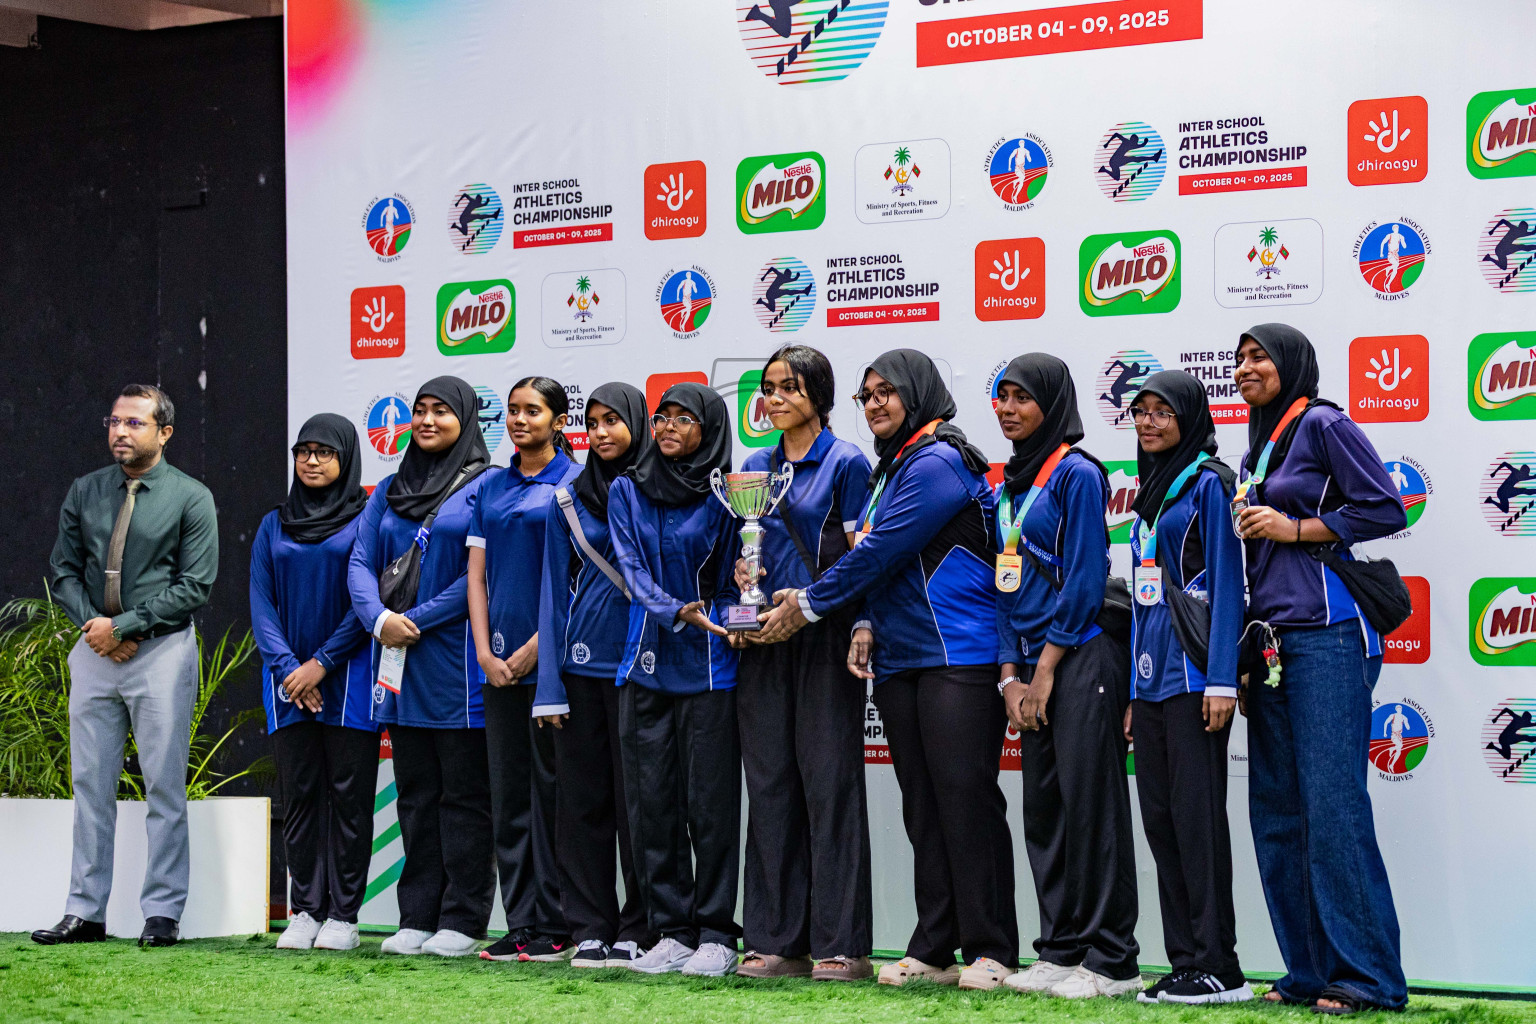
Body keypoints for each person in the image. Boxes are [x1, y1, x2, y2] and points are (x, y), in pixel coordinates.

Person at [757, 349, 1013, 991]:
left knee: (967, 803)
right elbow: (879, 562)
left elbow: (878, 550)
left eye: (887, 392)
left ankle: (992, 948)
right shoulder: (890, 468)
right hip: (900, 659)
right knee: (924, 808)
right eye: (866, 395)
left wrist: (809, 604)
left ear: (919, 393)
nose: (875, 404)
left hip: (957, 654)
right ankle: (935, 944)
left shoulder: (938, 460)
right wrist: (865, 623)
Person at [1233, 324, 1408, 1013]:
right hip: (1275, 643)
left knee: (1332, 812)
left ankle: (1368, 980)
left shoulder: (1324, 423)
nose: (1246, 367)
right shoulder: (1260, 441)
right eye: (1239, 358)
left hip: (1332, 636)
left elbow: (1387, 506)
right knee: (1278, 813)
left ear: (1292, 365)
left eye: (1259, 357)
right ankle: (1309, 972)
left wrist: (1296, 527)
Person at [36, 384, 218, 949]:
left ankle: (161, 913)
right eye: (115, 421)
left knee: (163, 786)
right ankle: (85, 912)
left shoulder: (192, 497)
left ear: (164, 432)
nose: (120, 432)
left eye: (134, 423)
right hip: (94, 651)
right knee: (90, 785)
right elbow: (62, 570)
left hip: (160, 653)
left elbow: (196, 585)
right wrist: (96, 626)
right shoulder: (85, 490)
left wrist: (125, 627)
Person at [990, 354, 1140, 1000]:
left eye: (1022, 398)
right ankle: (1060, 948)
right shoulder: (1009, 486)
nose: (1007, 409)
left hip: (1080, 657)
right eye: (1001, 398)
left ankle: (1112, 959)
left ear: (1051, 404)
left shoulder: (1077, 473)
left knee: (1092, 806)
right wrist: (1009, 679)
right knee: (1045, 809)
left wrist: (1044, 670)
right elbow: (1001, 587)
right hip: (1026, 667)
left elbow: (1082, 580)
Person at [731, 346, 874, 982]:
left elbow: (861, 553)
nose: (775, 397)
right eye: (768, 388)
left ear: (819, 393)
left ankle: (841, 945)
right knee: (768, 787)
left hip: (823, 635)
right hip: (763, 638)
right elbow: (744, 544)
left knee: (830, 787)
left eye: (790, 386)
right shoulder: (753, 465)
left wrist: (861, 622)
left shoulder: (846, 462)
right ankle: (772, 940)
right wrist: (743, 588)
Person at [347, 376, 493, 958]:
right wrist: (379, 619)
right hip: (396, 654)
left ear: (465, 418)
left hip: (454, 659)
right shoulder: (390, 486)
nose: (428, 421)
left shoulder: (485, 484)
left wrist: (420, 618)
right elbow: (361, 558)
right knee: (414, 792)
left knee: (462, 794)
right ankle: (417, 915)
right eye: (420, 411)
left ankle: (462, 918)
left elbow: (479, 574)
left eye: (442, 411)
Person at [1120, 372, 1249, 1004]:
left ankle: (1219, 963)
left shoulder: (1208, 485)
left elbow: (1227, 584)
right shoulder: (1150, 493)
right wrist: (1129, 691)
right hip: (1149, 684)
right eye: (1139, 412)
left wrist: (1222, 678)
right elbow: (1146, 601)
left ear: (1189, 416)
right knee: (1162, 819)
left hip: (1198, 680)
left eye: (1161, 412)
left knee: (1198, 821)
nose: (1147, 422)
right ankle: (1183, 960)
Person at [607, 382, 742, 977]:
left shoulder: (728, 492)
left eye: (684, 419)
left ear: (709, 428)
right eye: (661, 417)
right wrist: (673, 609)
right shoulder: (626, 488)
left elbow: (745, 574)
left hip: (712, 664)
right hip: (646, 659)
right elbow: (630, 570)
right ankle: (671, 930)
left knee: (709, 805)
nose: (666, 427)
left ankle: (715, 932)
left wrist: (740, 620)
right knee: (651, 805)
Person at [533, 383, 654, 969]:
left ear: (638, 424)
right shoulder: (567, 500)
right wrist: (548, 687)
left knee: (640, 805)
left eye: (614, 421)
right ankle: (588, 926)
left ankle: (640, 924)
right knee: (580, 806)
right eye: (594, 423)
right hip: (581, 668)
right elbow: (554, 594)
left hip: (644, 670)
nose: (602, 433)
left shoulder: (661, 488)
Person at [251, 414, 377, 953]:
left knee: (349, 800)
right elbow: (261, 604)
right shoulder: (272, 525)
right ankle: (305, 909)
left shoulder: (368, 518)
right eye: (304, 450)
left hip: (348, 678)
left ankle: (343, 917)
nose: (312, 460)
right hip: (287, 683)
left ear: (346, 457)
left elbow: (368, 601)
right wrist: (290, 670)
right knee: (299, 797)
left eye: (325, 451)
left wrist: (321, 663)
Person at [466, 378, 580, 963]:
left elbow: (576, 582)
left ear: (558, 419)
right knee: (509, 797)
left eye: (532, 411)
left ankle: (560, 921)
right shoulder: (490, 484)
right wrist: (485, 653)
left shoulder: (574, 482)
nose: (519, 420)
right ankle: (522, 920)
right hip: (497, 669)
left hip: (551, 669)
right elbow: (476, 576)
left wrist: (538, 648)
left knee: (552, 797)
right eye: (512, 411)